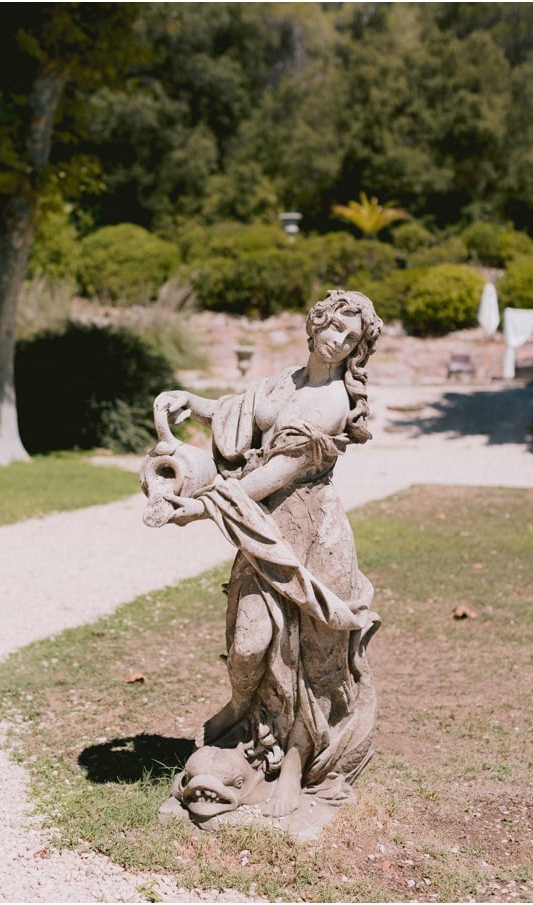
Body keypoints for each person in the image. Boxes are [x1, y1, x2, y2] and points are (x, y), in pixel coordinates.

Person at [154, 289, 383, 817]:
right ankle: (243, 715)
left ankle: (296, 765)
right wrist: (196, 403)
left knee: (312, 659)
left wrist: (204, 507)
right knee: (249, 643)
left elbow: (271, 476)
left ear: (355, 352)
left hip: (311, 534)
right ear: (316, 323)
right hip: (262, 526)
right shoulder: (289, 381)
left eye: (349, 338)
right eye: (332, 327)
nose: (336, 339)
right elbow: (247, 413)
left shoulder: (332, 403)